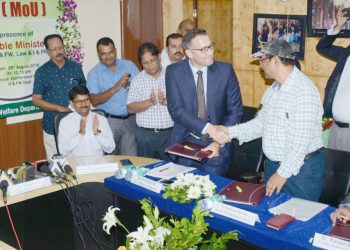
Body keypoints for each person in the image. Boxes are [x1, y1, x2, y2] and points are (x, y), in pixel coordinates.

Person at [216, 39, 325, 201]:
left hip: (301, 170)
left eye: (262, 60)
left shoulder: (303, 91)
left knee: (297, 221)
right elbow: (260, 124)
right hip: (275, 166)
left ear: (275, 60)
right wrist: (230, 132)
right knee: (269, 216)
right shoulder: (274, 89)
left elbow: (300, 143)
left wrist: (282, 174)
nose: (260, 65)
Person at [166, 28, 243, 176]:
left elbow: (235, 111)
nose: (210, 52)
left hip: (216, 147)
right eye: (203, 49)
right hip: (185, 143)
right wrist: (209, 128)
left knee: (211, 194)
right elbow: (176, 110)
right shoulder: (173, 72)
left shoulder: (225, 71)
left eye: (211, 46)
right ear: (189, 53)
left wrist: (218, 141)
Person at [32, 34, 86, 160]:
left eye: (60, 48)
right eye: (54, 49)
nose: (59, 52)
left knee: (77, 162)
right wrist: (58, 108)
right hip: (52, 125)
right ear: (47, 52)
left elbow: (84, 91)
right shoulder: (42, 72)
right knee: (56, 166)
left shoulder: (75, 67)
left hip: (75, 124)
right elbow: (36, 100)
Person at [87, 37, 139, 156]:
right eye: (104, 54)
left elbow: (141, 90)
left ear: (115, 50)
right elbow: (94, 101)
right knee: (110, 159)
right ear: (98, 55)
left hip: (131, 120)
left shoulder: (129, 65)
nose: (108, 56)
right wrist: (115, 88)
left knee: (131, 161)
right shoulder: (94, 73)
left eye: (111, 52)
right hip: (109, 122)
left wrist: (127, 86)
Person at [127, 42, 173, 160]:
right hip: (145, 135)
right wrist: (149, 102)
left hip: (170, 134)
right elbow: (130, 108)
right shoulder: (137, 80)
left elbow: (183, 101)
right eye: (145, 63)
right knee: (146, 169)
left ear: (159, 57)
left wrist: (168, 101)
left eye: (152, 60)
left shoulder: (171, 75)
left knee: (170, 170)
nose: (150, 65)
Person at [316, 8, 350, 152]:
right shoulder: (345, 54)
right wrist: (338, 26)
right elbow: (322, 47)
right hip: (335, 127)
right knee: (332, 171)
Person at [58, 85, 115, 157]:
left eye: (87, 100)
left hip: (98, 164)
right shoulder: (65, 122)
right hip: (75, 165)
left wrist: (97, 133)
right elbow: (63, 151)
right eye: (79, 101)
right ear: (72, 104)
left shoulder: (101, 119)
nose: (84, 104)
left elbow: (111, 148)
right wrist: (80, 133)